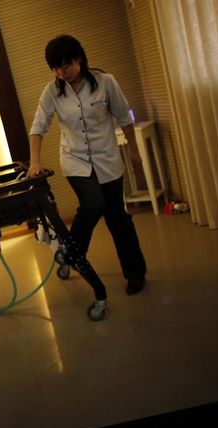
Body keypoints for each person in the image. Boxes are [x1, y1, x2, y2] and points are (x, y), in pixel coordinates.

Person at [27, 35, 147, 314]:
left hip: (108, 159)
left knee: (118, 216)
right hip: (75, 160)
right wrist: (34, 161)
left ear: (79, 59)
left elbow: (124, 116)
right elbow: (38, 127)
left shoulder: (106, 82)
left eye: (65, 65)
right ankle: (72, 253)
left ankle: (135, 273)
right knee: (94, 204)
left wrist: (134, 151)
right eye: (55, 68)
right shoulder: (52, 91)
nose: (61, 72)